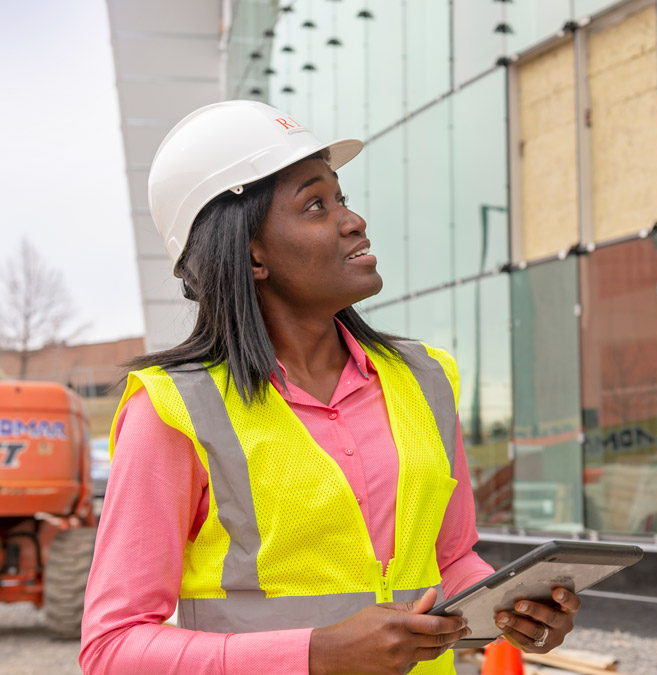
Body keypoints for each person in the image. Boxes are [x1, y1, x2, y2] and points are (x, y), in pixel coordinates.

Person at [79, 100, 580, 674]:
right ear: (251, 253)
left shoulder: (425, 380)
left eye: (341, 197)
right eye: (315, 204)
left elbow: (450, 558)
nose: (353, 220)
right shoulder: (173, 410)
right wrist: (313, 654)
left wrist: (511, 609)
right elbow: (112, 649)